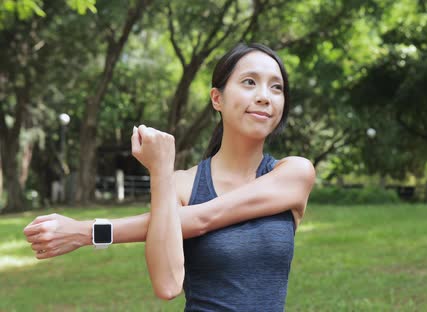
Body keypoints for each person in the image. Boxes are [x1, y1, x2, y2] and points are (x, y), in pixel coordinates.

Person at [23, 42, 316, 311]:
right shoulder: (180, 185)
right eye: (249, 82)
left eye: (276, 88)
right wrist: (161, 171)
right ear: (217, 98)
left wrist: (86, 232)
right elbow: (167, 285)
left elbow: (202, 219)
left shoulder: (294, 174)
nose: (265, 97)